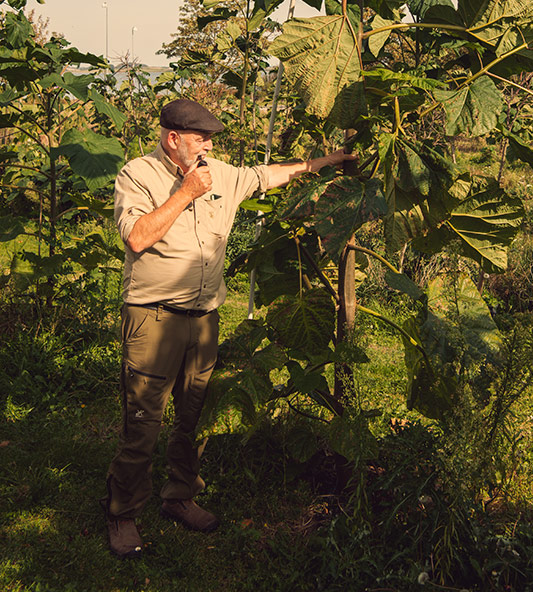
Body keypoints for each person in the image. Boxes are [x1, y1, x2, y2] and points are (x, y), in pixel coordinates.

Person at [103, 97, 354, 559]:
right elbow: (137, 236)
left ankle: (179, 496)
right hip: (154, 318)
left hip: (204, 318)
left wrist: (328, 162)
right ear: (172, 138)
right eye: (199, 139)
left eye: (210, 141)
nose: (206, 149)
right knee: (143, 422)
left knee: (192, 416)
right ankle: (123, 512)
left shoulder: (217, 172)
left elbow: (268, 174)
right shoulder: (138, 175)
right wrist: (184, 195)